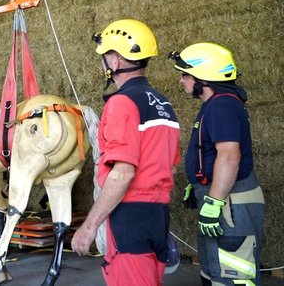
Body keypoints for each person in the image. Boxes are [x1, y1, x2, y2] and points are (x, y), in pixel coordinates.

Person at [71, 18, 181, 286]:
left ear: (116, 60)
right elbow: (172, 166)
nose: (102, 62)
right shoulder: (163, 104)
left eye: (104, 56)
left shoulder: (122, 103)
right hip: (157, 214)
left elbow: (123, 173)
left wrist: (89, 226)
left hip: (129, 215)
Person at [170, 43, 265, 286]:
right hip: (222, 198)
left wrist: (213, 201)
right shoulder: (216, 105)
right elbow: (213, 153)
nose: (181, 81)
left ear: (204, 78)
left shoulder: (222, 106)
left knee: (233, 275)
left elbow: (229, 156)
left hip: (229, 203)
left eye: (185, 74)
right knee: (214, 271)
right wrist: (201, 180)